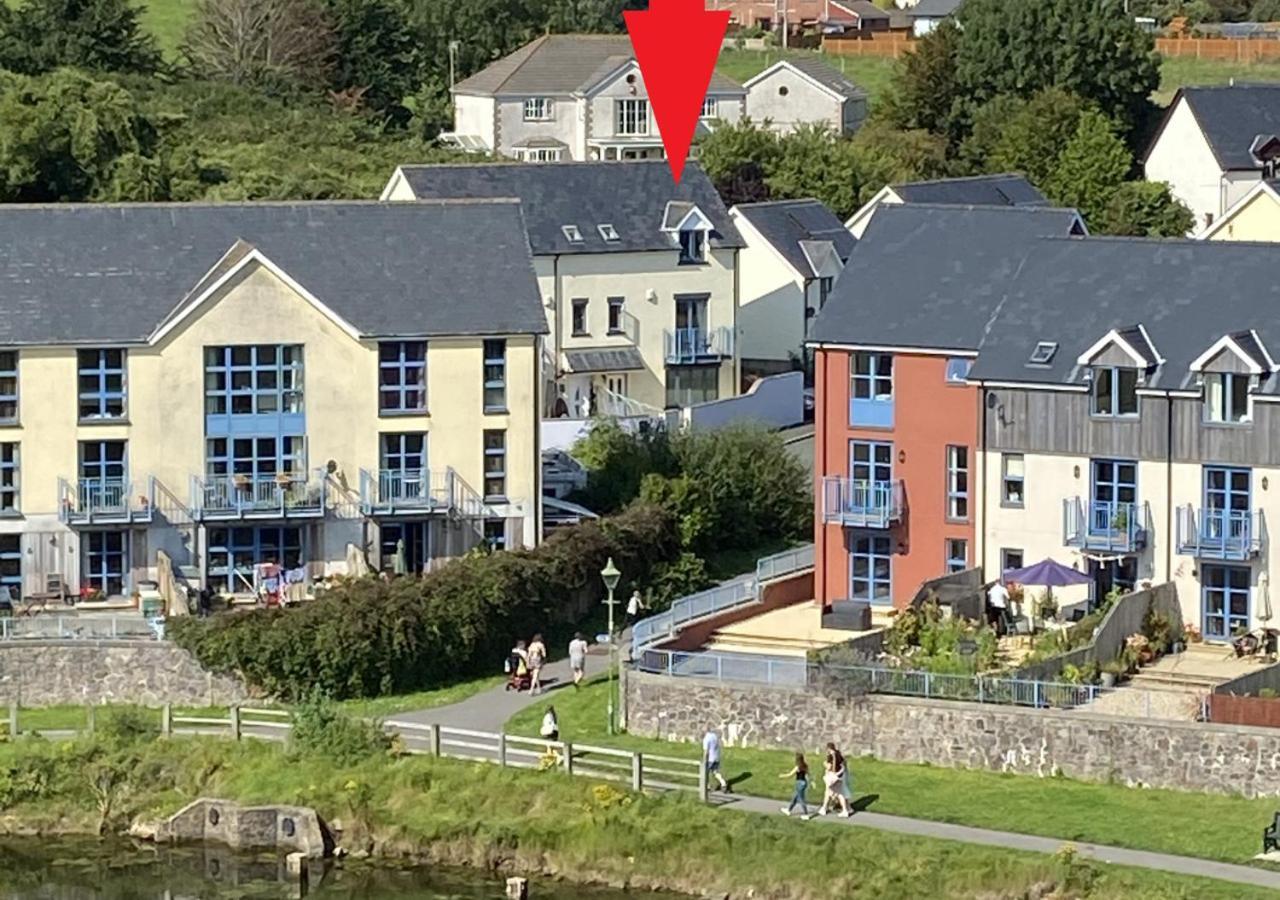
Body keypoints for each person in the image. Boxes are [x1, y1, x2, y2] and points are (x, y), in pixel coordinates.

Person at [817, 743, 852, 817]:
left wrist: (825, 764)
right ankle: (845, 809)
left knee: (828, 792)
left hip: (833, 777)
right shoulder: (838, 753)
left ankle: (824, 808)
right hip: (840, 776)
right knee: (839, 793)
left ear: (829, 749)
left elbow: (831, 768)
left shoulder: (831, 756)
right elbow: (843, 762)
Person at [779, 752, 810, 818]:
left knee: (801, 799)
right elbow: (808, 773)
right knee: (794, 797)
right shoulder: (805, 766)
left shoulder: (798, 767)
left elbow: (790, 774)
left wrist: (782, 776)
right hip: (804, 782)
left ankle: (806, 814)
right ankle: (789, 810)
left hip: (799, 783)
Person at [702, 728, 731, 794]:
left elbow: (706, 751)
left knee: (705, 773)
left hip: (710, 759)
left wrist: (704, 760)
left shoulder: (706, 739)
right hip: (716, 757)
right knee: (715, 772)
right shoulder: (714, 736)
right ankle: (723, 783)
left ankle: (707, 787)